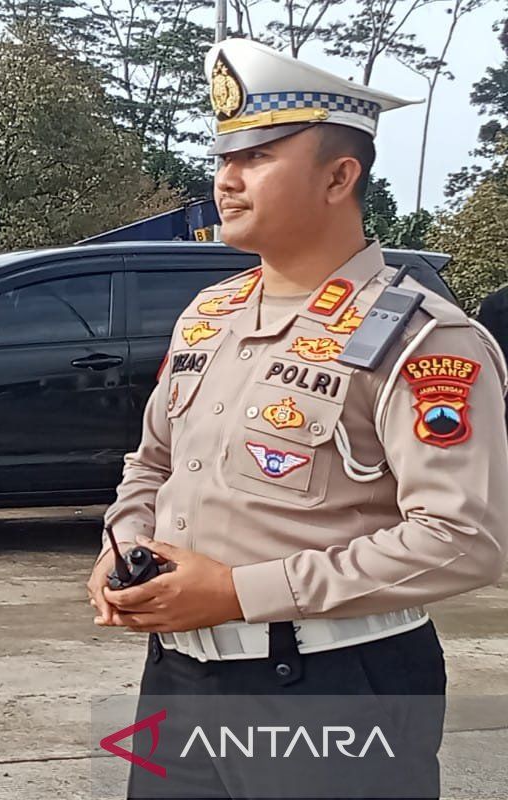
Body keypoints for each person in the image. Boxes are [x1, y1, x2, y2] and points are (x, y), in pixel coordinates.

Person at [85, 39, 508, 799]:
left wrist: (244, 592)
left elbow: (463, 542)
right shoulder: (208, 315)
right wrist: (126, 541)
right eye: (223, 157)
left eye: (259, 156)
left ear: (339, 176)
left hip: (330, 680)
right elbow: (151, 463)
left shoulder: (421, 336)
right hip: (177, 677)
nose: (226, 178)